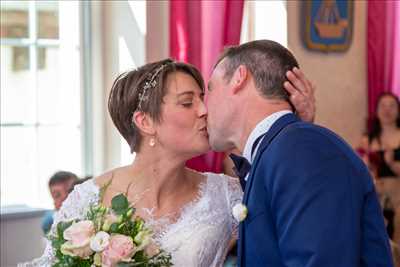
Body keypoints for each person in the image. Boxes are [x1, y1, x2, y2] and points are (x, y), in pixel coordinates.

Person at [22, 56, 315, 266]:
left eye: (203, 98)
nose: (204, 111)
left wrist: (294, 131)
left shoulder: (227, 195)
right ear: (145, 121)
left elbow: (292, 214)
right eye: (188, 102)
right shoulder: (88, 198)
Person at [206, 40, 393, 266]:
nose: (203, 107)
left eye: (210, 89)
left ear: (239, 77)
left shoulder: (302, 147)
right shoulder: (283, 149)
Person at [359, 92, 400, 245]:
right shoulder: (367, 139)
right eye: (383, 106)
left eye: (392, 106)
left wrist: (391, 163)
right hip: (377, 195)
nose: (387, 110)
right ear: (376, 110)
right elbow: (363, 171)